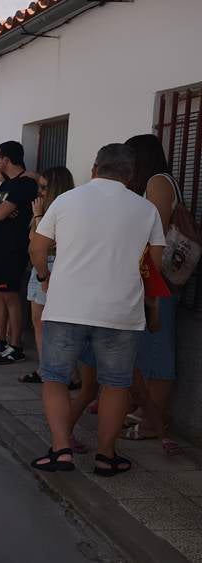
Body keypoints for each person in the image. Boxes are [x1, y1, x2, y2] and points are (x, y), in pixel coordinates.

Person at [29, 143, 165, 477]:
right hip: (121, 311)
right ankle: (106, 456)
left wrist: (45, 276)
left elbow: (38, 246)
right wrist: (149, 304)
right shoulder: (146, 209)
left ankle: (61, 450)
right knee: (116, 384)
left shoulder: (66, 200)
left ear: (94, 168)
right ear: (130, 175)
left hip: (66, 307)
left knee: (56, 378)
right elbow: (154, 264)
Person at [121, 134, 182, 454]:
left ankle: (155, 420)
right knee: (145, 347)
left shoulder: (159, 182)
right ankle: (147, 410)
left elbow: (154, 231)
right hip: (148, 278)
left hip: (157, 281)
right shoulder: (151, 183)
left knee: (158, 351)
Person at [0, 141, 39, 364]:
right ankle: (0, 339)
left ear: (7, 159)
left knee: (11, 296)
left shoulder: (24, 184)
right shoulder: (6, 185)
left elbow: (0, 214)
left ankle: (16, 345)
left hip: (12, 249)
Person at [18, 167, 75, 383]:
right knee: (37, 320)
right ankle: (45, 369)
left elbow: (46, 241)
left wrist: (39, 216)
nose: (39, 192)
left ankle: (61, 374)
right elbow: (32, 238)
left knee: (48, 323)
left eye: (44, 187)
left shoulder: (64, 210)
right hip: (39, 265)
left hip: (52, 265)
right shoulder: (44, 208)